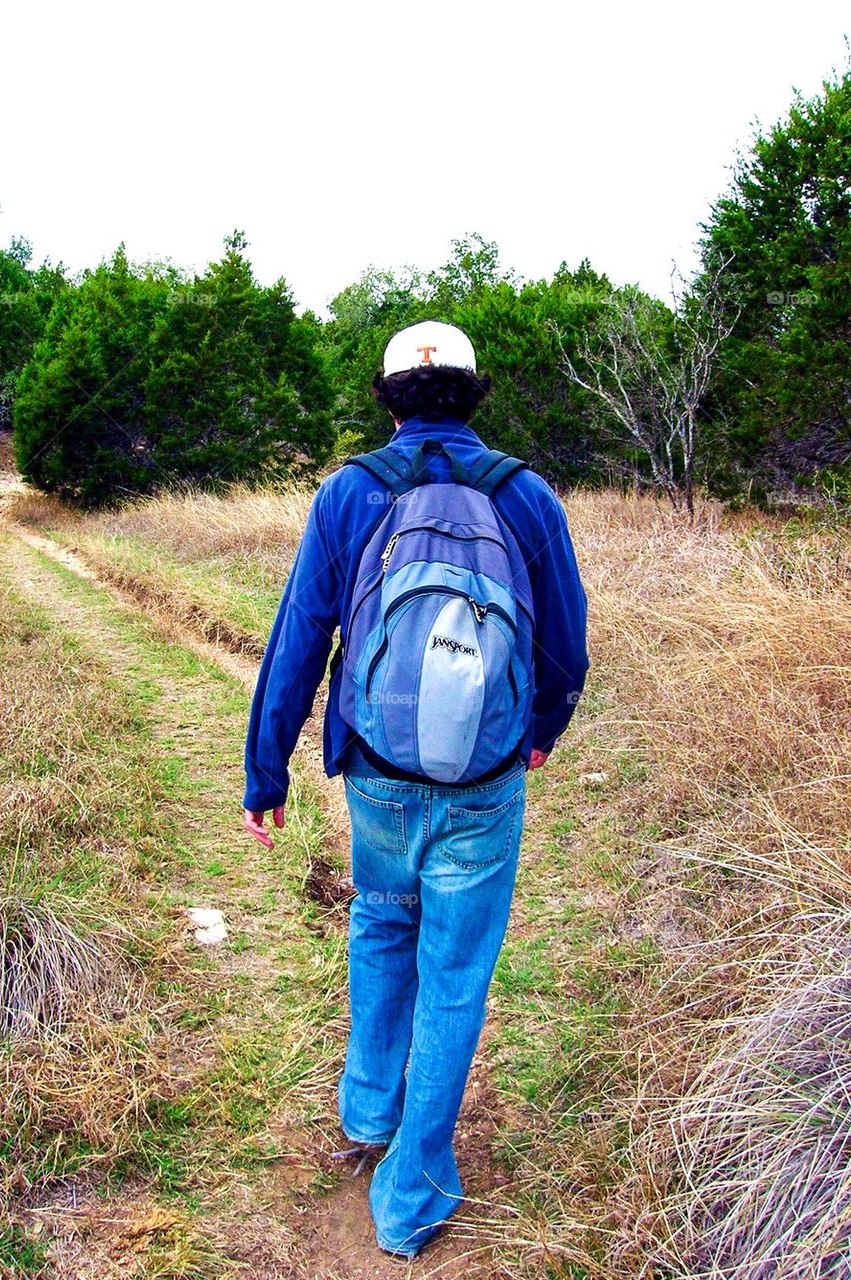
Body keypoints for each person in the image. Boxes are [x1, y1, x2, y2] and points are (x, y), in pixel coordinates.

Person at [242, 320, 589, 1259]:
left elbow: (300, 636)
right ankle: (412, 1194)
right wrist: (539, 732)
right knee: (455, 972)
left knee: (382, 920)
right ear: (474, 391)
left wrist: (266, 769)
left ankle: (368, 1110)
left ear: (388, 397)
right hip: (483, 778)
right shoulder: (525, 495)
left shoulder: (350, 493)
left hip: (378, 775)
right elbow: (566, 642)